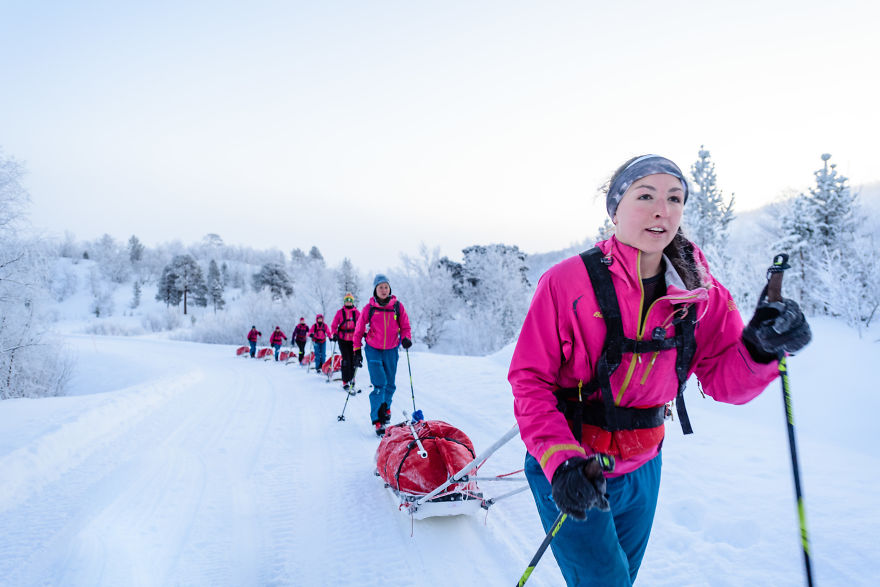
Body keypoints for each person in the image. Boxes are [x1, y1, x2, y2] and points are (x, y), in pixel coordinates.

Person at [508, 154, 811, 586]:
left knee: (620, 579)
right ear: (615, 209)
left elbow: (726, 382)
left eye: (674, 198)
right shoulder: (566, 282)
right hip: (576, 467)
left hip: (644, 464)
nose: (661, 210)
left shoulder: (700, 291)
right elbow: (530, 381)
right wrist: (561, 462)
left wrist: (763, 347)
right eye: (645, 195)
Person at [353, 274, 412, 436]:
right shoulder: (369, 309)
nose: (384, 290)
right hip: (373, 349)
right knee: (379, 384)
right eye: (380, 287)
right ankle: (377, 420)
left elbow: (405, 326)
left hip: (392, 349)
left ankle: (386, 408)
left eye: (386, 287)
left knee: (390, 385)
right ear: (375, 290)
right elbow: (358, 331)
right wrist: (356, 350)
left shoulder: (397, 307)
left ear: (389, 289)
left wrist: (406, 338)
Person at [330, 292, 361, 391]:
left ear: (352, 302)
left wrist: (363, 332)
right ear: (344, 302)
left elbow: (361, 324)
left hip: (353, 340)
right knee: (346, 360)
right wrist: (334, 333)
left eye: (350, 301)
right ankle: (345, 381)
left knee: (353, 359)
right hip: (342, 339)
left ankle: (352, 378)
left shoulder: (356, 312)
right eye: (347, 301)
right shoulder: (340, 312)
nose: (348, 302)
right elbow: (334, 325)